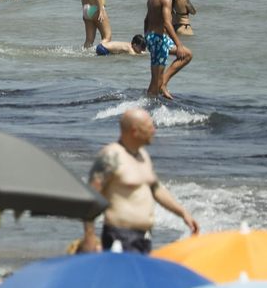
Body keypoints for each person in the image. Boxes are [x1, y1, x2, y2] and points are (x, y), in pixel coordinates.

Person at [80, 108, 199, 253]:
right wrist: (89, 238)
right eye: (149, 127)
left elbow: (156, 189)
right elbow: (90, 199)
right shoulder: (111, 157)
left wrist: (183, 214)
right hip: (119, 236)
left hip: (144, 237)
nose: (154, 131)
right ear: (134, 131)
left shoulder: (143, 156)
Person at [145, 0, 192, 100]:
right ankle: (150, 105)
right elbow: (167, 23)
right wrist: (179, 44)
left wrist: (146, 38)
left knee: (188, 55)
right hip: (159, 39)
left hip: (153, 37)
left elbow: (146, 19)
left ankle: (163, 84)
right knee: (155, 81)